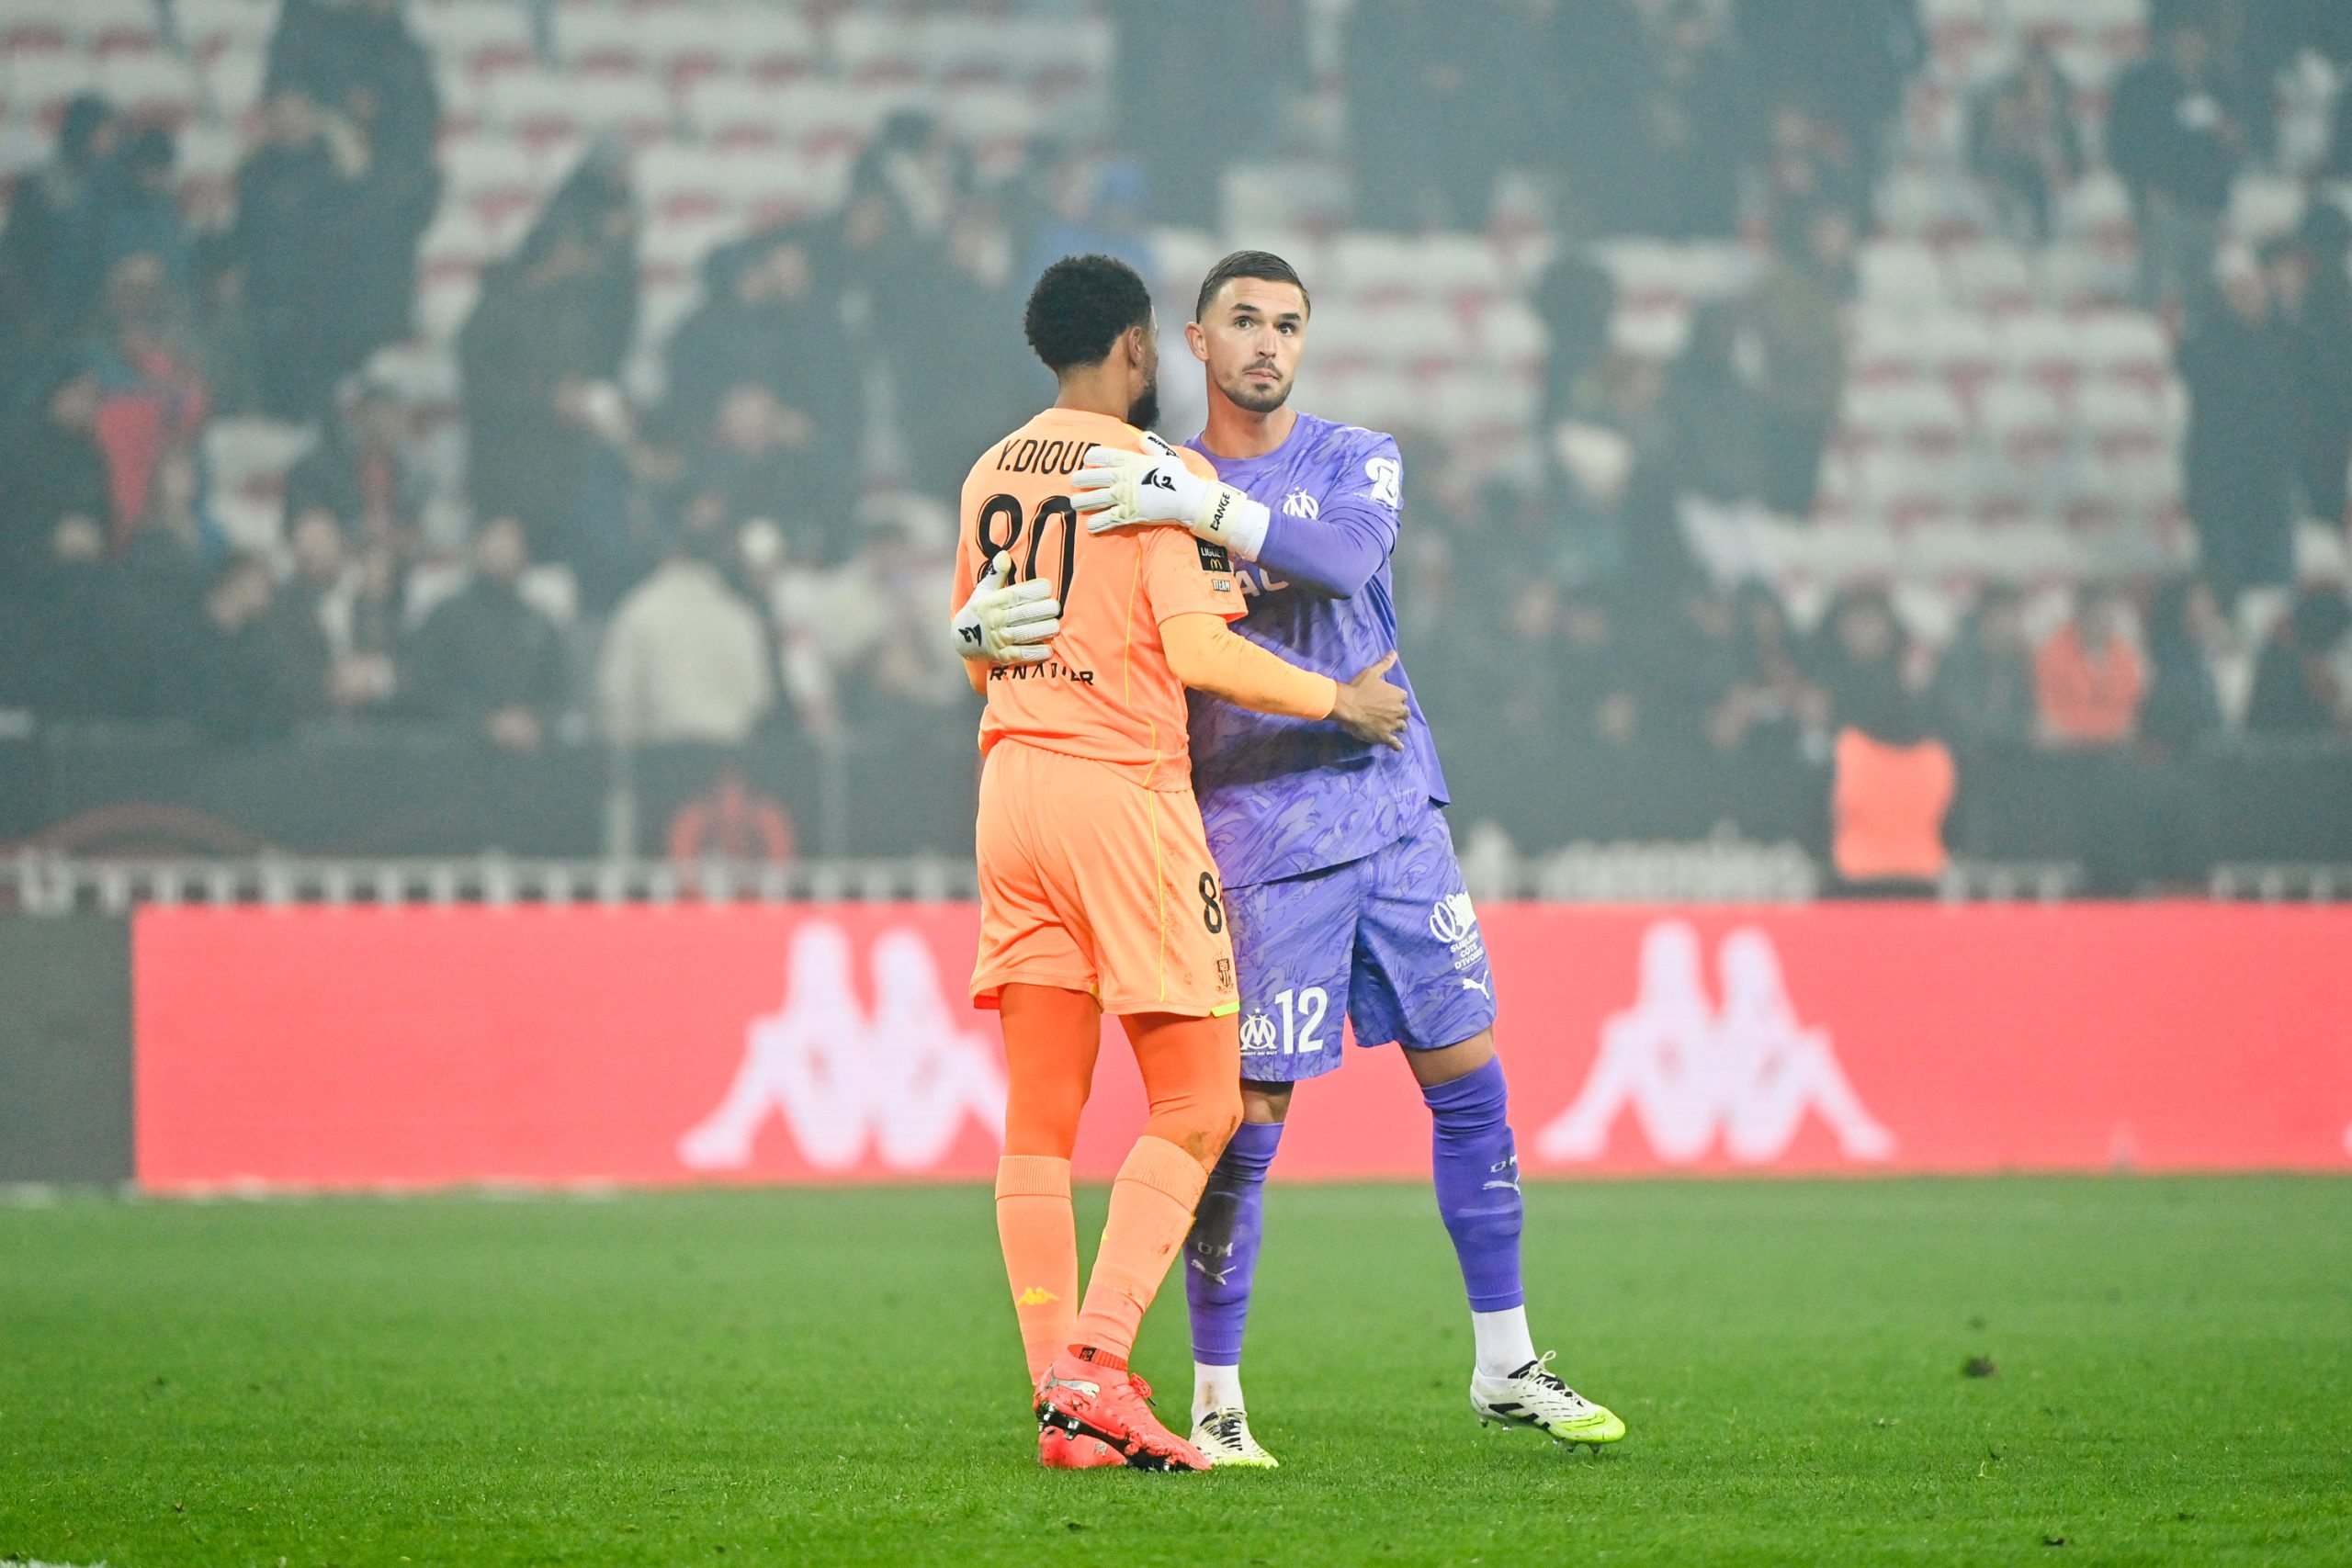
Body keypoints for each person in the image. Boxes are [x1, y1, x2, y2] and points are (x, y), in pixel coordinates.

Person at [1063, 251, 1627, 1462]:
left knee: (1469, 1076)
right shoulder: (1154, 478)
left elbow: (1344, 558)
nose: (1268, 341)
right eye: (1244, 322)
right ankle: (1217, 1399)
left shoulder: (1354, 454)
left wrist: (1200, 506)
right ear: (1197, 344)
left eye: (1289, 323)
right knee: (1250, 1114)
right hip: (1263, 829)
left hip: (1394, 811)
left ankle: (1506, 1360)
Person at [943, 254, 1408, 1472]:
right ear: (1139, 349)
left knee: (1039, 1114)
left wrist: (969, 646)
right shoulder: (1158, 474)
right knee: (1201, 1098)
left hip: (1010, 791)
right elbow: (1201, 649)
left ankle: (1058, 1394)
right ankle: (1097, 1363)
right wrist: (1336, 701)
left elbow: (981, 646)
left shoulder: (993, 469)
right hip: (1119, 795)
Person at [596, 522, 775, 746]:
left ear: (670, 553)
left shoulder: (638, 611)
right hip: (727, 761)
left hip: (660, 759)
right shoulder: (739, 617)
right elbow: (757, 696)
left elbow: (616, 695)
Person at [402, 515, 570, 753]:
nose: (501, 549)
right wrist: (484, 723)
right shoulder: (447, 615)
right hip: (455, 755)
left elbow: (558, 693)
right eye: (494, 539)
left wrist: (535, 721)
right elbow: (425, 684)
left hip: (527, 760)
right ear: (476, 547)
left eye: (510, 541)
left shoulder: (540, 623)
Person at [2034, 586, 2146, 747]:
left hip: (2113, 749)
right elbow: (2053, 715)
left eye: (2105, 616)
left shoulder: (2125, 657)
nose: (2099, 623)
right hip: (2065, 748)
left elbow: (2126, 714)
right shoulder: (2052, 654)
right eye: (2094, 615)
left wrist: (2104, 732)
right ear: (2080, 616)